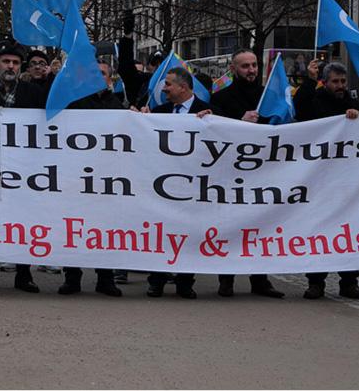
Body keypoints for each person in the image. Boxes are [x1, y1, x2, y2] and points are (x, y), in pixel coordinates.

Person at [209, 48, 285, 299]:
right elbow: (215, 131)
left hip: (263, 171)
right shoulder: (221, 97)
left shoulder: (269, 95)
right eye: (245, 66)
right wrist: (239, 121)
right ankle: (226, 279)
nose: (251, 70)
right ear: (233, 69)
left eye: (254, 65)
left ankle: (260, 279)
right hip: (231, 172)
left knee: (260, 224)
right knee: (228, 223)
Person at [0, 41, 44, 293]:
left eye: (15, 62)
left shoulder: (33, 93)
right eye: (6, 62)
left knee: (23, 220)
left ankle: (24, 274)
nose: (11, 66)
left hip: (23, 168)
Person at [294, 60, 359, 300]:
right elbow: (301, 110)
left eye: (343, 81)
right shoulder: (315, 102)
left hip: (347, 180)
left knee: (349, 230)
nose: (340, 86)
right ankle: (316, 282)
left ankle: (349, 281)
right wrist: (308, 80)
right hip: (320, 179)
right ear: (325, 82)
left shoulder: (354, 104)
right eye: (335, 81)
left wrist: (357, 116)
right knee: (319, 228)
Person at [137, 67, 212, 299]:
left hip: (193, 185)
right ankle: (156, 280)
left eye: (168, 84)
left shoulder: (208, 113)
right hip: (163, 184)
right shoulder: (160, 112)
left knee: (189, 232)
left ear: (183, 87)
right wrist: (141, 120)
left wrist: (212, 123)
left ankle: (185, 282)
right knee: (161, 233)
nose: (164, 88)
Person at [57, 60, 124, 297]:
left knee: (104, 229)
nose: (98, 77)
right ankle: (72, 277)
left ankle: (105, 278)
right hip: (76, 175)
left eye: (103, 74)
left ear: (109, 79)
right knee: (72, 227)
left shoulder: (117, 105)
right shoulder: (75, 103)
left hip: (105, 178)